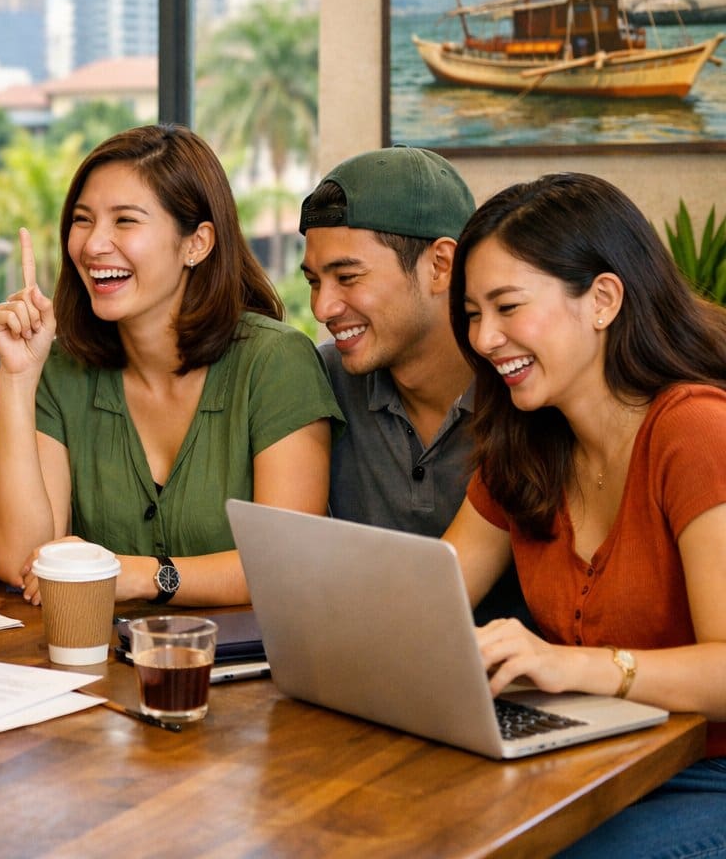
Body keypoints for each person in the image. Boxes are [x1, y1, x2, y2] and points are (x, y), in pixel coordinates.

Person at [443, 172, 726, 857]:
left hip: (706, 775)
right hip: (602, 761)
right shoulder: (526, 443)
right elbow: (432, 589)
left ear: (602, 300)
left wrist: (571, 666)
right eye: (474, 314)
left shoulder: (696, 431)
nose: (483, 338)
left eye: (507, 307)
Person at [0, 124, 341, 606]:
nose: (93, 246)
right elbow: (19, 559)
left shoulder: (275, 363)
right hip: (98, 665)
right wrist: (17, 378)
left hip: (249, 671)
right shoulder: (61, 369)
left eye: (125, 221)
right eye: (83, 220)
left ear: (197, 243)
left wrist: (143, 575)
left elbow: (286, 563)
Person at [298, 146, 525, 623]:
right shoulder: (318, 383)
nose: (323, 309)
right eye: (315, 281)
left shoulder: (525, 392)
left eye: (347, 276)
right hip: (368, 664)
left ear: (441, 266)